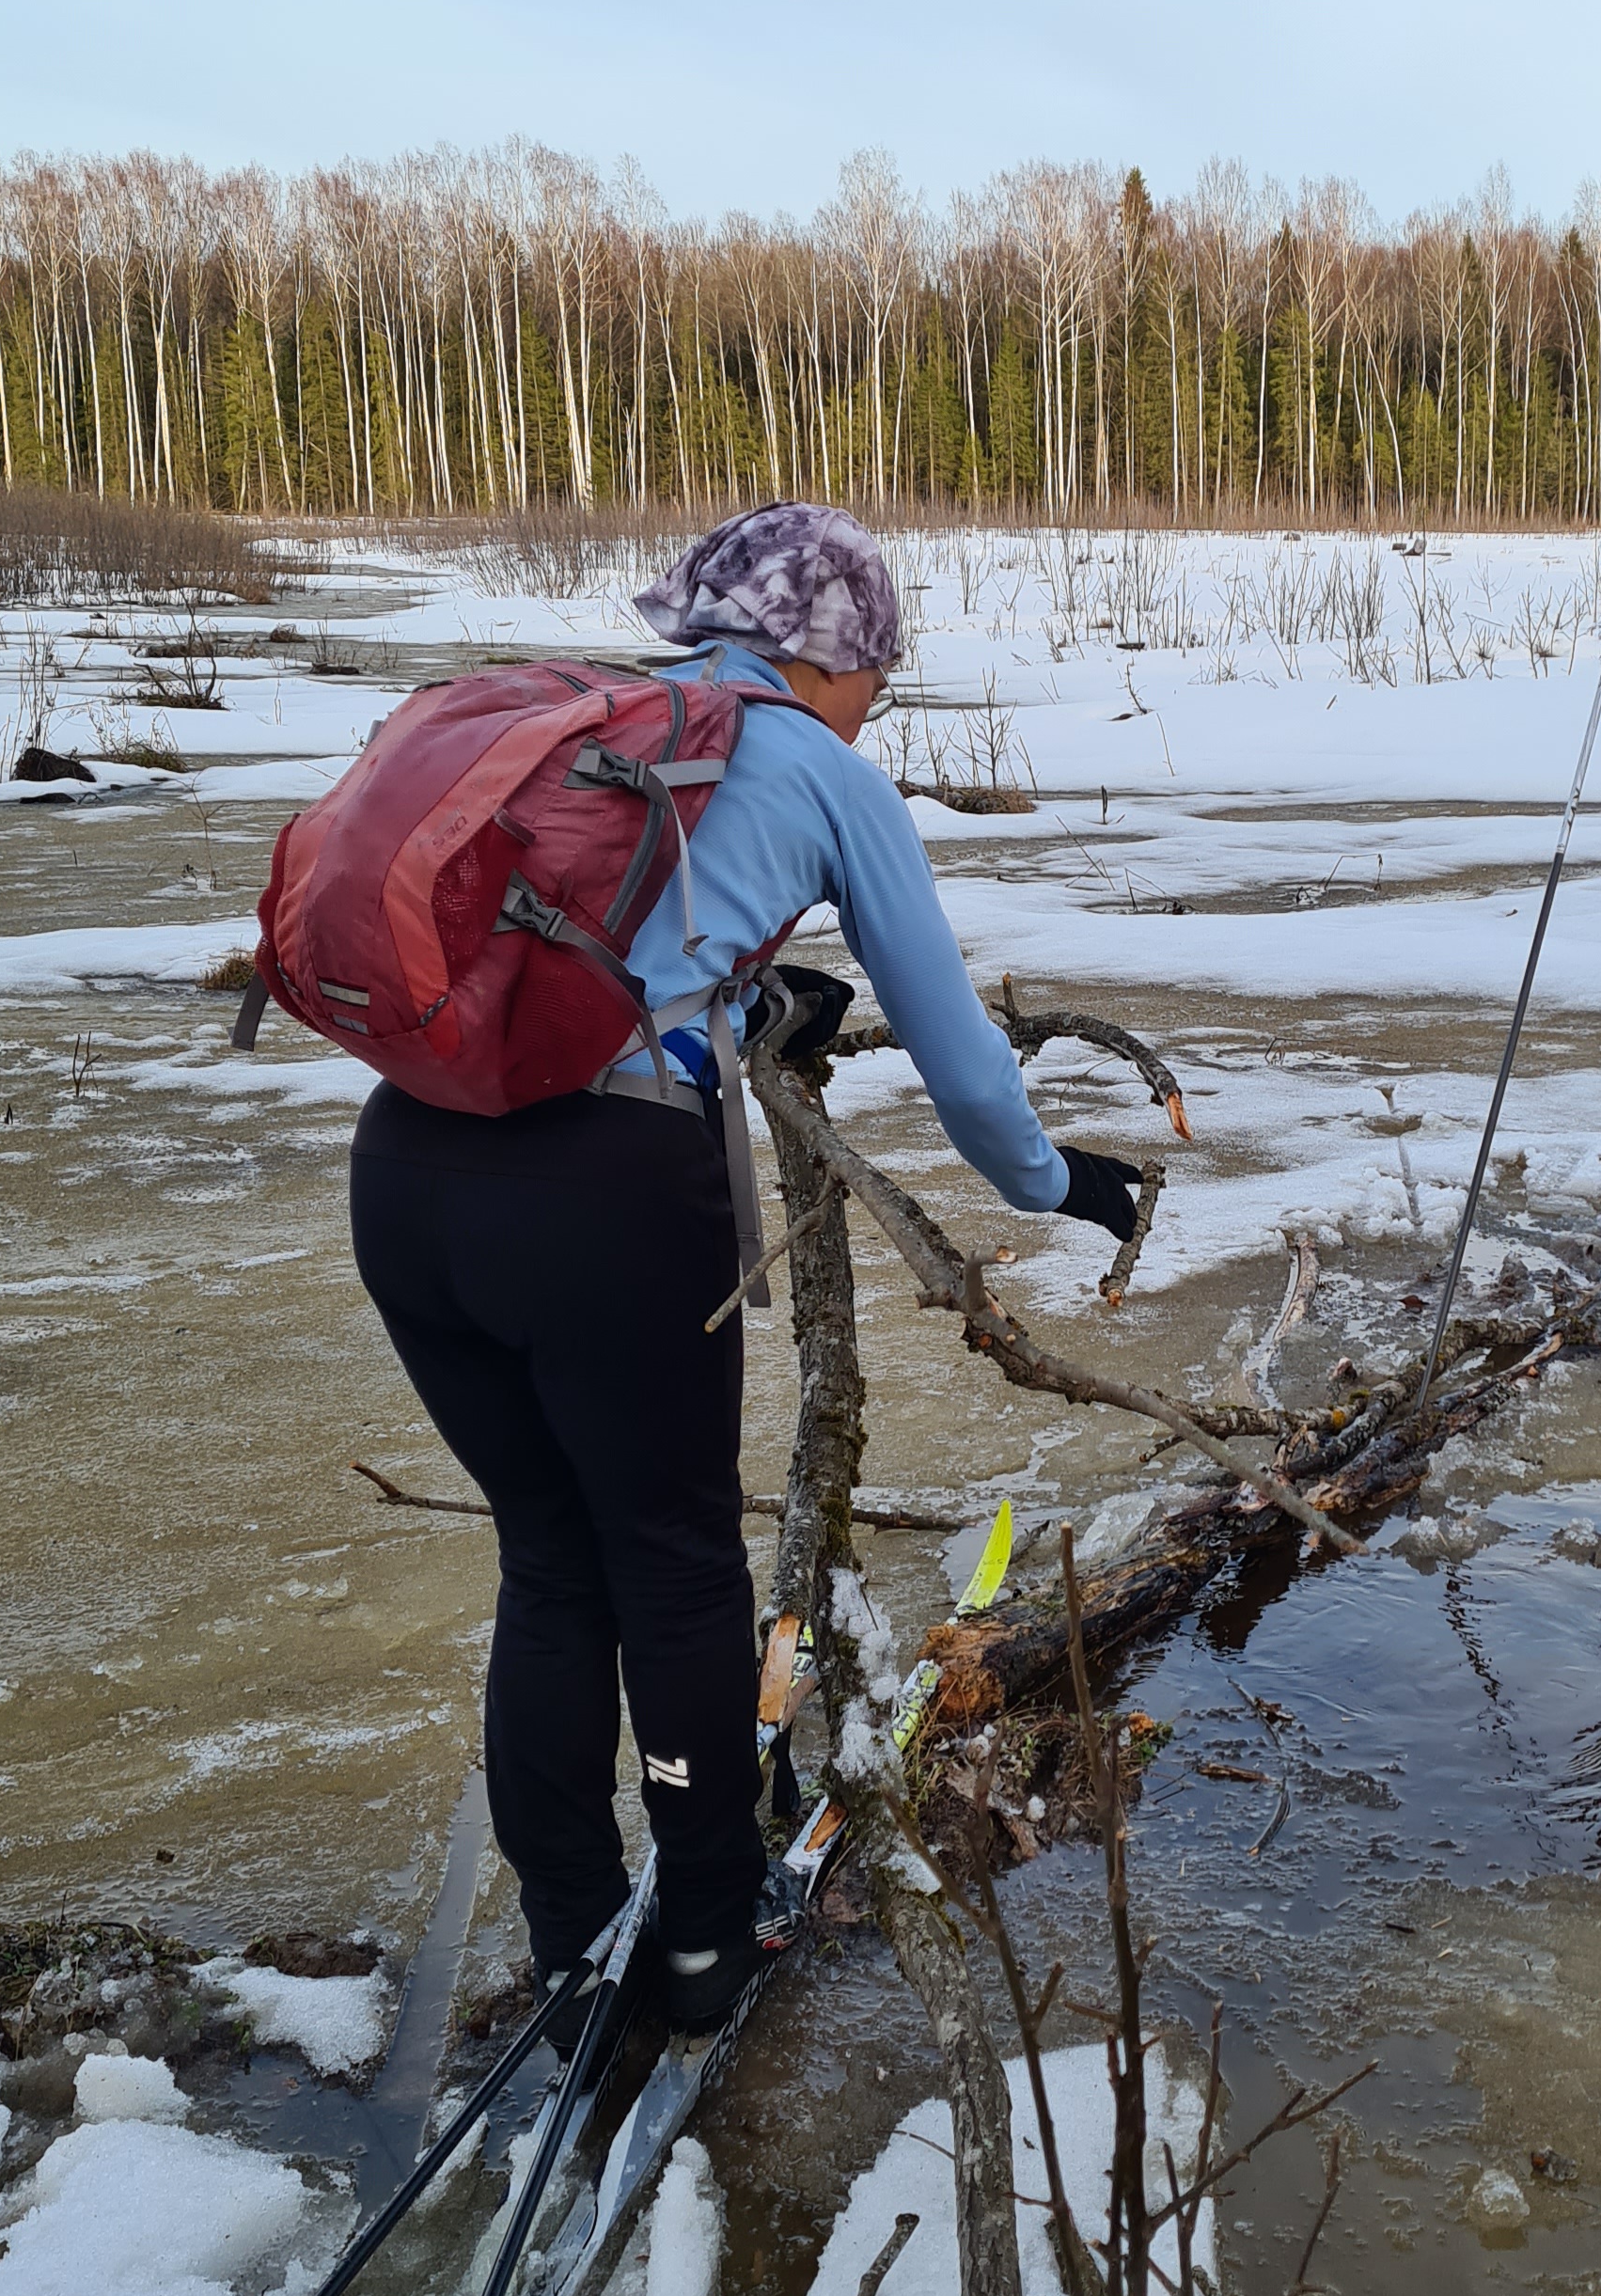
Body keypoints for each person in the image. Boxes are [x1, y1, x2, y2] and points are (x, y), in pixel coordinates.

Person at [346, 503, 1146, 2033]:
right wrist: (1058, 1183)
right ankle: (710, 1933)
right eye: (877, 678)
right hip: (602, 1195)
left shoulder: (593, 725)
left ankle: (574, 1936)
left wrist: (751, 996)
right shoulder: (821, 770)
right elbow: (963, 1065)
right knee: (673, 1564)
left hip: (408, 1170)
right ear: (832, 654)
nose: (873, 710)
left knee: (551, 1556)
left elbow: (596, 951)